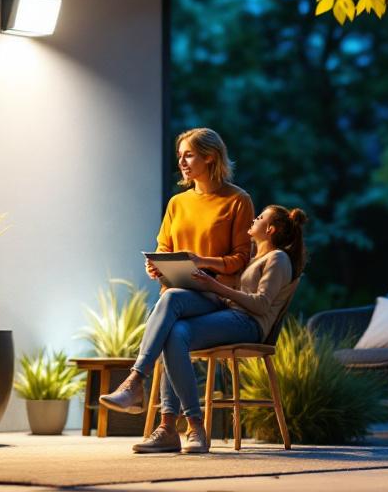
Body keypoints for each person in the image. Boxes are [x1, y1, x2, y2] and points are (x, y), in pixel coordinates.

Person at [98, 127, 254, 452]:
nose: (181, 161)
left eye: (188, 155)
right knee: (175, 333)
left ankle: (136, 381)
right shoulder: (177, 203)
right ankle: (183, 428)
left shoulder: (238, 200)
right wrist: (154, 266)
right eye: (180, 156)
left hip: (217, 298)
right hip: (180, 297)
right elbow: (163, 246)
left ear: (210, 157)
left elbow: (241, 259)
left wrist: (203, 261)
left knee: (170, 303)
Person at [105, 204, 307, 453]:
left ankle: (170, 411)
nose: (254, 219)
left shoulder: (278, 259)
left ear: (271, 229)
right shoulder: (256, 258)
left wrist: (214, 286)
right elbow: (229, 289)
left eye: (260, 217)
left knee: (177, 331)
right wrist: (192, 275)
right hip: (230, 315)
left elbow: (261, 305)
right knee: (173, 315)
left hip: (249, 325)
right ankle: (173, 418)